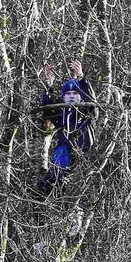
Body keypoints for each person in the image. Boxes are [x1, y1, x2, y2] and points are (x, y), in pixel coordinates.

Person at [35, 60, 95, 194]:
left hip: (82, 148)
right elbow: (47, 110)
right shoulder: (61, 113)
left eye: (75, 94)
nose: (72, 96)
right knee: (50, 180)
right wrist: (48, 86)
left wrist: (81, 78)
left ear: (81, 97)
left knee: (77, 180)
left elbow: (91, 102)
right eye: (68, 94)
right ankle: (46, 199)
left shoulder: (85, 111)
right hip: (63, 150)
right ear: (63, 97)